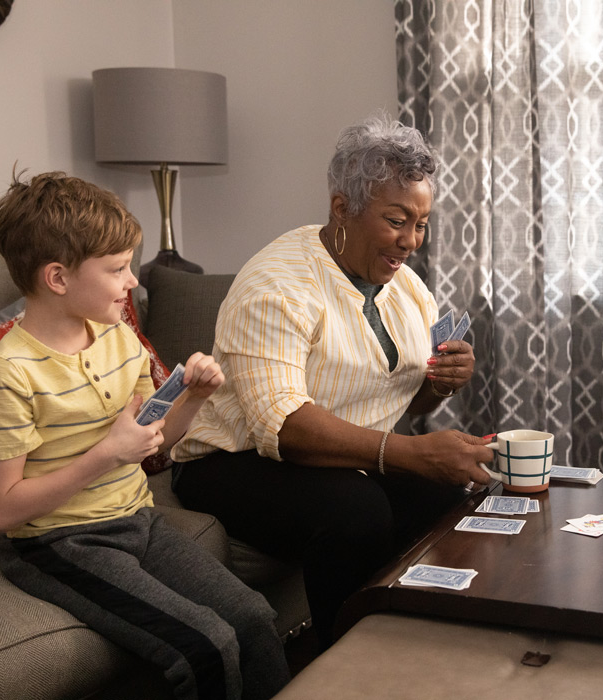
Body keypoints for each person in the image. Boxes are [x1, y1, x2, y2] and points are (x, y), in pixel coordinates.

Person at [171, 112, 496, 649]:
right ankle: (339, 662)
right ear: (342, 208)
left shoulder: (406, 287)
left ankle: (426, 647)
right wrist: (413, 453)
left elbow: (396, 403)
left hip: (341, 454)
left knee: (446, 494)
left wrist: (437, 386)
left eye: (421, 223)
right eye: (396, 221)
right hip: (231, 460)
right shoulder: (275, 286)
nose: (412, 240)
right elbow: (286, 427)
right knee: (356, 512)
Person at [0, 171, 291, 700]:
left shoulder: (120, 338)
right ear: (58, 278)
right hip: (58, 544)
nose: (132, 281)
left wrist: (196, 397)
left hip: (136, 519)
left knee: (252, 617)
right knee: (205, 645)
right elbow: (1, 512)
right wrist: (105, 454)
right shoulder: (6, 374)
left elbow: (155, 445)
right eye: (117, 269)